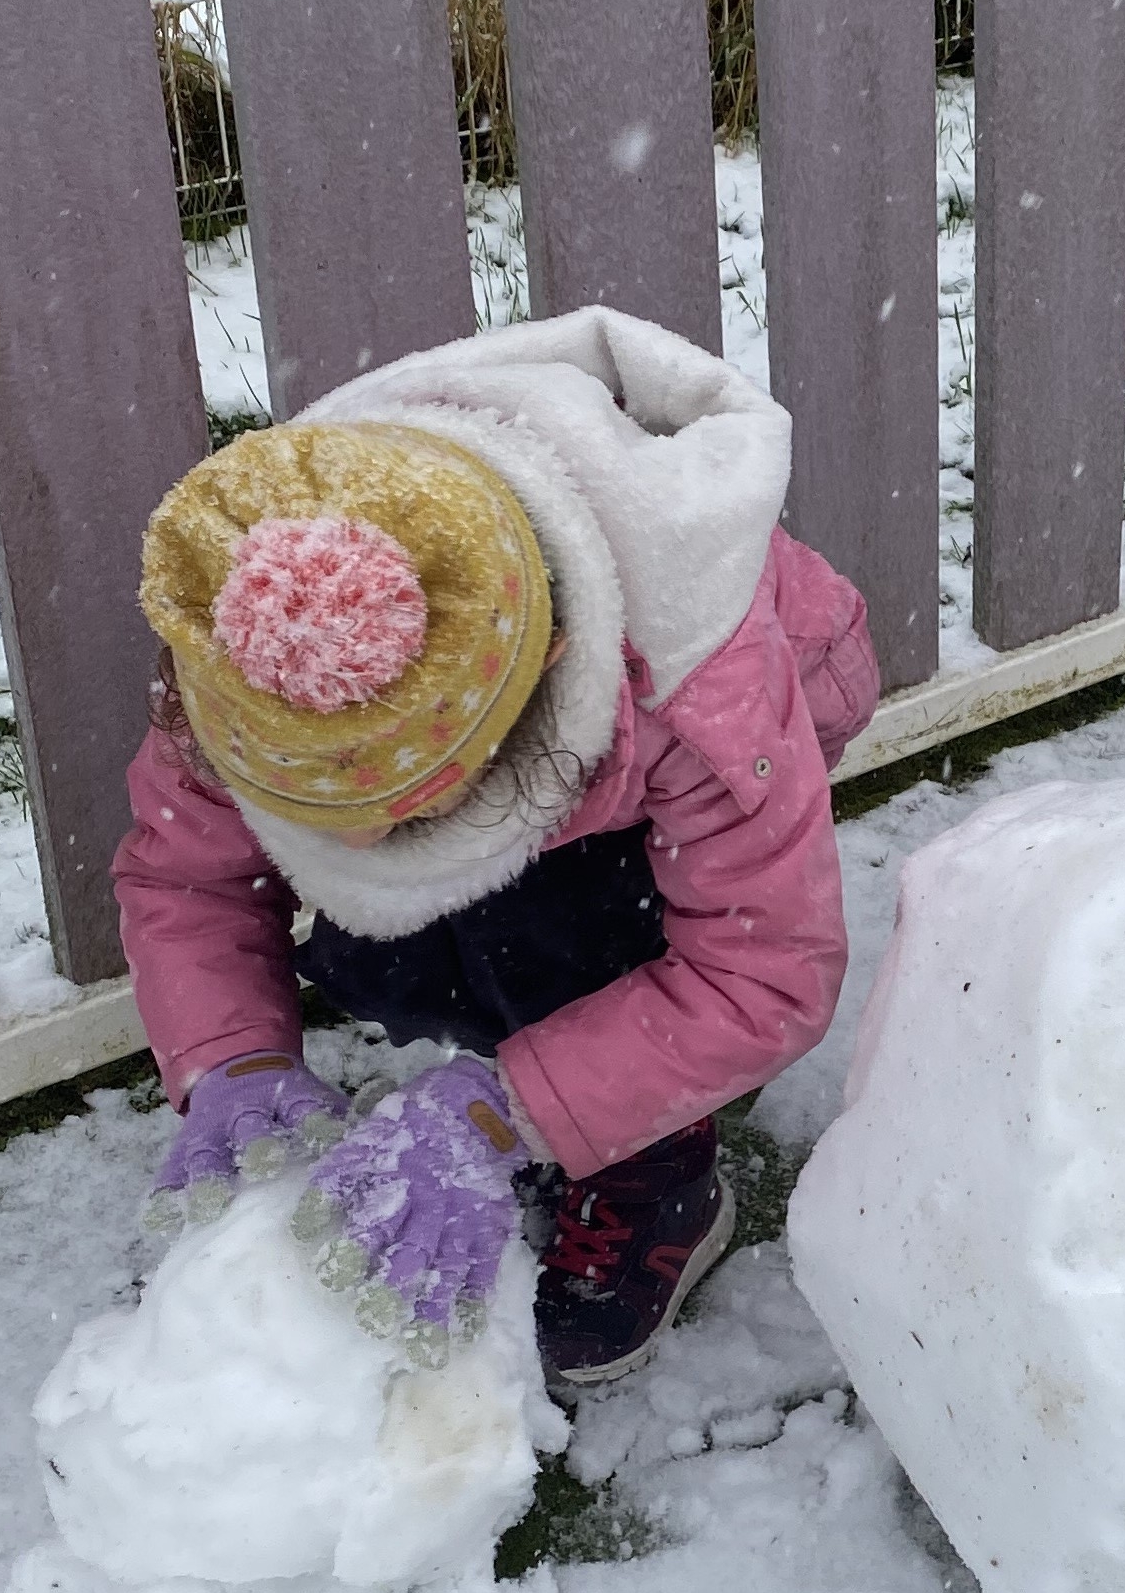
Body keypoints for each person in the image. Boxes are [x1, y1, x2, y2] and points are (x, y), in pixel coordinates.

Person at [114, 307, 875, 1396]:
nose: (363, 847)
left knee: (569, 935)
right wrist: (230, 1057)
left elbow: (765, 967)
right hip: (542, 761)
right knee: (418, 943)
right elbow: (183, 874)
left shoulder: (700, 687)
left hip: (684, 757)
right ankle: (529, 1032)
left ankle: (657, 1172)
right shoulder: (255, 664)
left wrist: (507, 1107)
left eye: (404, 816)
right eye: (329, 828)